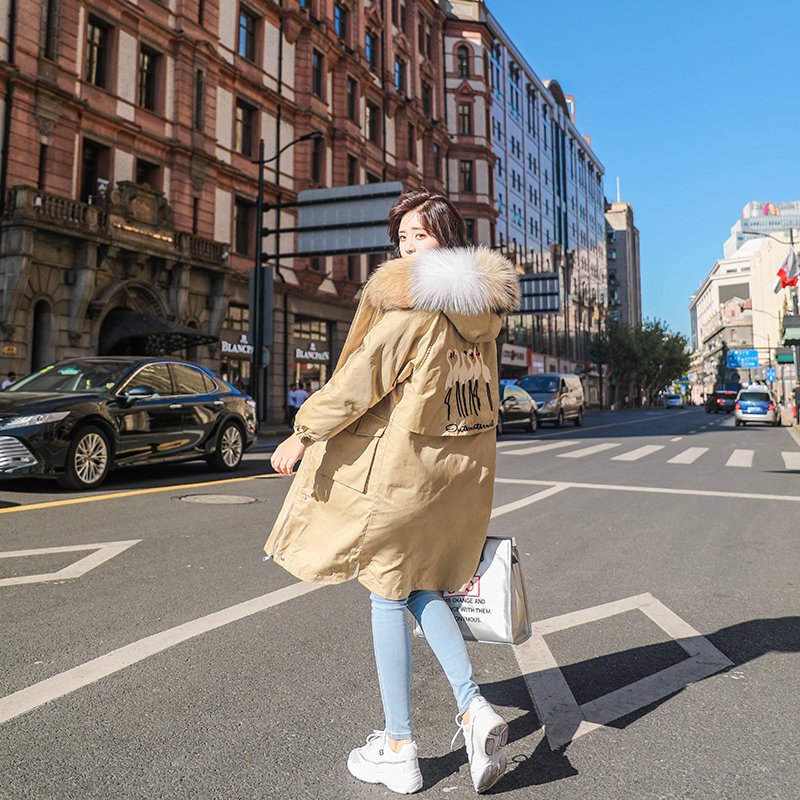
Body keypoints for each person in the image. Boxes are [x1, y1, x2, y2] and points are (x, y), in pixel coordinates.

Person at [267, 187, 519, 794]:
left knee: (385, 590)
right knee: (417, 585)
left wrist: (302, 434)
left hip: (405, 472)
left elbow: (360, 381)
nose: (407, 247)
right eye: (401, 239)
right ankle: (472, 707)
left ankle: (400, 747)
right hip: (456, 475)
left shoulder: (414, 314)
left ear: (447, 240)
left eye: (420, 236)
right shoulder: (485, 319)